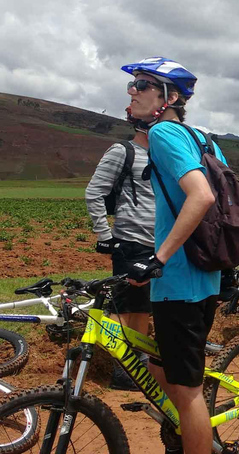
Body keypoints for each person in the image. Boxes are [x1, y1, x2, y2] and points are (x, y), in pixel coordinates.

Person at [123, 57, 226, 454]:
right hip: (207, 270)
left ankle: (194, 431)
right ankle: (187, 431)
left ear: (170, 98)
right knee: (158, 366)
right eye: (132, 85)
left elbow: (204, 196)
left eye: (143, 85)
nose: (132, 92)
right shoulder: (204, 138)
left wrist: (158, 258)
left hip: (179, 276)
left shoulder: (164, 132)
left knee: (187, 393)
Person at [85, 109, 155, 391]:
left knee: (142, 308)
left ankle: (136, 364)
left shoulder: (162, 156)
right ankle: (121, 370)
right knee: (125, 307)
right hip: (131, 240)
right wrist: (105, 234)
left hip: (158, 244)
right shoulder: (122, 151)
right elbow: (94, 192)